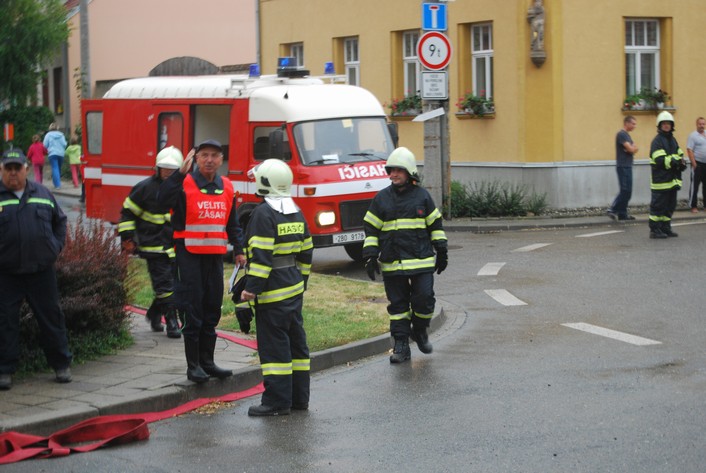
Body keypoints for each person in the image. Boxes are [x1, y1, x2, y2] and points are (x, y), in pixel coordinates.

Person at [158, 139, 246, 383]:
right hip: (188, 256)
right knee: (192, 310)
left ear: (221, 160)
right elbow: (161, 201)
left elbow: (233, 223)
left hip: (214, 258)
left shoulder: (227, 186)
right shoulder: (183, 183)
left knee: (211, 311)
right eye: (204, 155)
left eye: (214, 155)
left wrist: (239, 249)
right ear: (195, 159)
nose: (209, 160)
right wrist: (178, 174)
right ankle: (193, 366)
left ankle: (208, 363)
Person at [239, 159, 314, 417]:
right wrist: (300, 281)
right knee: (296, 347)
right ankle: (298, 399)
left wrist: (251, 290)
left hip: (271, 295)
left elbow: (261, 257)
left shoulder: (263, 214)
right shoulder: (294, 210)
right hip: (293, 291)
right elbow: (306, 251)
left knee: (275, 349)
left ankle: (276, 402)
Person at [362, 147, 448, 364]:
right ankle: (401, 345)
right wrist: (371, 256)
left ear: (409, 172)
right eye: (390, 171)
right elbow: (371, 229)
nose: (393, 174)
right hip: (393, 263)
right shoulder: (381, 199)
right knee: (398, 307)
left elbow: (435, 226)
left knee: (425, 300)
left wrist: (442, 250)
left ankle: (419, 331)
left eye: (398, 170)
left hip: (421, 262)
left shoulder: (423, 197)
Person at [0, 149, 72, 390]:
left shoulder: (42, 193)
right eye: (8, 168)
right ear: (1, 170)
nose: (12, 173)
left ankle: (61, 365)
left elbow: (59, 221)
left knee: (51, 318)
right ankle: (5, 370)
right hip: (7, 273)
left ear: (26, 169)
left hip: (41, 271)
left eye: (16, 168)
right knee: (5, 322)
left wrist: (55, 247)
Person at [119, 146, 183, 338]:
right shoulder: (144, 188)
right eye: (165, 168)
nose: (168, 173)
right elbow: (127, 213)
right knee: (164, 284)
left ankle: (154, 313)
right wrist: (128, 238)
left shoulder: (183, 188)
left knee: (174, 284)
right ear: (157, 168)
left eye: (172, 170)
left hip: (175, 246)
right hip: (152, 245)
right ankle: (172, 321)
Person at [649, 111, 686, 239]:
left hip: (672, 181)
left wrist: (682, 163)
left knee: (670, 206)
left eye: (668, 123)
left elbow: (680, 154)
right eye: (664, 123)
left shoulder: (673, 140)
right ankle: (655, 230)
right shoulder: (657, 141)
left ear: (672, 125)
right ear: (659, 126)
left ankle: (665, 227)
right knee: (658, 207)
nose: (666, 125)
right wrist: (675, 161)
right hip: (661, 181)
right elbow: (659, 160)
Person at [607, 115, 639, 221]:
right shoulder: (621, 134)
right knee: (625, 190)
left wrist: (632, 148)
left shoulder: (627, 136)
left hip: (627, 165)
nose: (635, 126)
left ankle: (622, 213)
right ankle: (612, 209)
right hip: (623, 166)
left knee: (628, 191)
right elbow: (631, 149)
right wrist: (632, 148)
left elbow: (634, 148)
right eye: (633, 123)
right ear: (627, 123)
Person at [687, 117, 706, 213]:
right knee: (695, 186)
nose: (702, 126)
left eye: (703, 124)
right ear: (696, 124)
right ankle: (693, 206)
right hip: (697, 164)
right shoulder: (693, 136)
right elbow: (689, 149)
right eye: (700, 124)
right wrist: (694, 163)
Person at [43, 123, 67, 190]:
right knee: (58, 168)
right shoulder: (61, 135)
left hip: (52, 153)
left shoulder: (48, 135)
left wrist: (48, 149)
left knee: (54, 168)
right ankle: (56, 182)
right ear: (57, 128)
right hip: (61, 154)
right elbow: (64, 144)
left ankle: (57, 184)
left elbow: (44, 145)